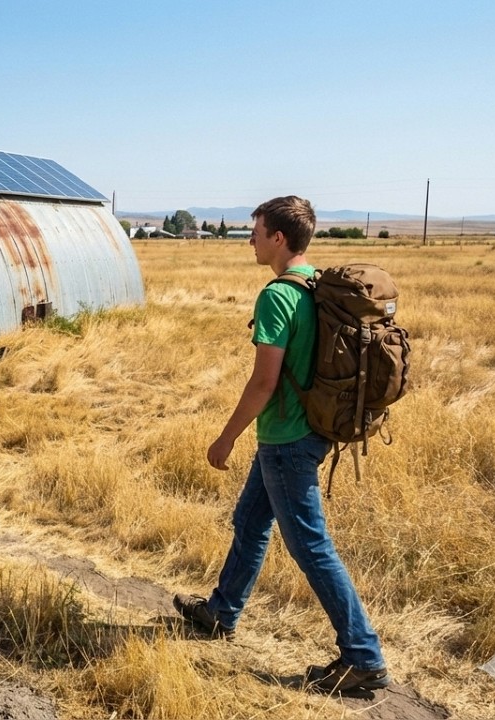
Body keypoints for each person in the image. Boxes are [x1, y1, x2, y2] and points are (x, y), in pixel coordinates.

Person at [172, 196, 390, 694]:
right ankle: (221, 612)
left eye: (257, 229)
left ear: (278, 238)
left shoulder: (276, 296)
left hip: (286, 439)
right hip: (309, 429)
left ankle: (363, 655)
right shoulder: (316, 285)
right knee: (250, 521)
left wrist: (225, 438)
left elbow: (263, 384)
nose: (250, 238)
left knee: (311, 547)